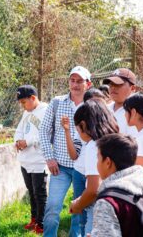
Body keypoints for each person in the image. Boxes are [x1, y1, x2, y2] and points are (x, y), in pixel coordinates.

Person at [39, 65, 92, 237]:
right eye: (72, 80)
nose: (75, 85)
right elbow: (44, 131)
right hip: (60, 166)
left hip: (83, 168)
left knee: (79, 211)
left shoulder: (92, 105)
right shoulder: (56, 102)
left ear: (88, 84)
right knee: (53, 207)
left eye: (79, 81)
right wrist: (49, 158)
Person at [63, 99, 119, 235]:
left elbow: (94, 189)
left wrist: (78, 205)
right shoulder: (115, 140)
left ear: (83, 125)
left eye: (78, 129)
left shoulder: (93, 146)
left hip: (99, 212)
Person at [91, 133, 143, 236]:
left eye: (98, 158)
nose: (97, 163)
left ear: (108, 162)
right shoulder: (141, 189)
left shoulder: (107, 203)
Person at [14, 85, 48, 234]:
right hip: (26, 160)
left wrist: (27, 142)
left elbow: (46, 133)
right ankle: (34, 218)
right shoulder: (26, 112)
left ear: (33, 98)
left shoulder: (46, 110)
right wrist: (18, 141)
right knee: (31, 191)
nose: (22, 106)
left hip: (39, 160)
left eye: (23, 102)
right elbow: (19, 129)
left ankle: (42, 223)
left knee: (39, 193)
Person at [103, 68, 138, 136]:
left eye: (118, 84)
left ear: (133, 88)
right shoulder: (106, 108)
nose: (113, 87)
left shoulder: (136, 112)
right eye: (111, 84)